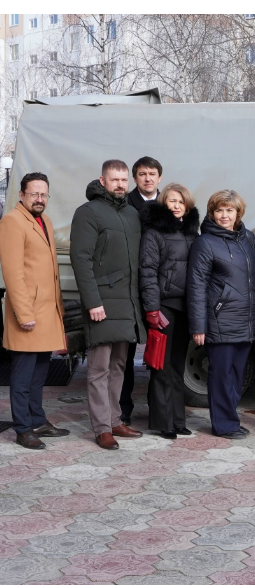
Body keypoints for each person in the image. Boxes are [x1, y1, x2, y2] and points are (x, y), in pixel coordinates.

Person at [70, 160, 145, 450]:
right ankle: (102, 428)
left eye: (124, 180)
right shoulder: (87, 213)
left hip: (127, 303)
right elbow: (81, 261)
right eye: (114, 180)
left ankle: (115, 420)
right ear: (102, 180)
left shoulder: (131, 213)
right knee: (99, 368)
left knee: (119, 366)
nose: (120, 185)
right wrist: (93, 302)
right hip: (102, 303)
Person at [0, 172, 70, 449]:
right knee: (23, 374)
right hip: (28, 312)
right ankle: (22, 427)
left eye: (43, 195)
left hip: (46, 311)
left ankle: (38, 420)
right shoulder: (12, 221)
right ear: (21, 195)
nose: (39, 199)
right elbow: (13, 272)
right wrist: (24, 313)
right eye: (34, 194)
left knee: (41, 372)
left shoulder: (46, 221)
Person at [187, 190, 255, 439]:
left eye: (230, 210)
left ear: (238, 213)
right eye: (219, 210)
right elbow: (196, 286)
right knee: (221, 376)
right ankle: (223, 425)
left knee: (237, 376)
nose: (224, 215)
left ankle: (231, 419)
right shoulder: (205, 243)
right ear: (212, 212)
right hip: (219, 321)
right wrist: (198, 326)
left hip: (245, 321)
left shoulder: (248, 239)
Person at [138, 183, 200, 439]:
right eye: (172, 201)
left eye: (181, 202)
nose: (176, 206)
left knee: (177, 366)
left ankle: (178, 420)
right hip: (164, 308)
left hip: (186, 308)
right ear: (164, 203)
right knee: (160, 365)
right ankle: (163, 422)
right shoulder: (154, 233)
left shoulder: (192, 233)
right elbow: (147, 272)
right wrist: (152, 310)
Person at [119, 156, 163, 425]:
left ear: (160, 177)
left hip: (161, 288)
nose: (148, 178)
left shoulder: (170, 203)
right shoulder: (124, 206)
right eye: (142, 174)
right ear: (135, 178)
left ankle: (159, 410)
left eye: (152, 173)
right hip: (130, 287)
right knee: (125, 354)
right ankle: (123, 409)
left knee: (161, 352)